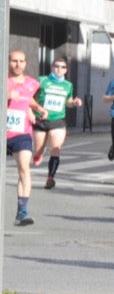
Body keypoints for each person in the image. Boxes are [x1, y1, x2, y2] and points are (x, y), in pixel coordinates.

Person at [31, 57, 80, 189]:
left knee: (56, 149)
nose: (59, 69)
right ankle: (39, 153)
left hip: (57, 120)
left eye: (63, 67)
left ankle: (50, 178)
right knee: (37, 150)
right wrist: (34, 110)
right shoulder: (42, 80)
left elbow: (68, 102)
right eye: (57, 66)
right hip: (40, 120)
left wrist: (74, 102)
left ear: (66, 70)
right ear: (52, 67)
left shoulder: (68, 85)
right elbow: (30, 98)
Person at [6, 51, 44, 226]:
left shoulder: (32, 83)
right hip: (3, 132)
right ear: (8, 62)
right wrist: (5, 96)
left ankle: (22, 211)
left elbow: (28, 100)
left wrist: (38, 108)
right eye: (14, 61)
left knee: (24, 167)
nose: (18, 64)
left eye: (21, 61)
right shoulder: (3, 81)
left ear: (26, 63)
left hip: (22, 132)